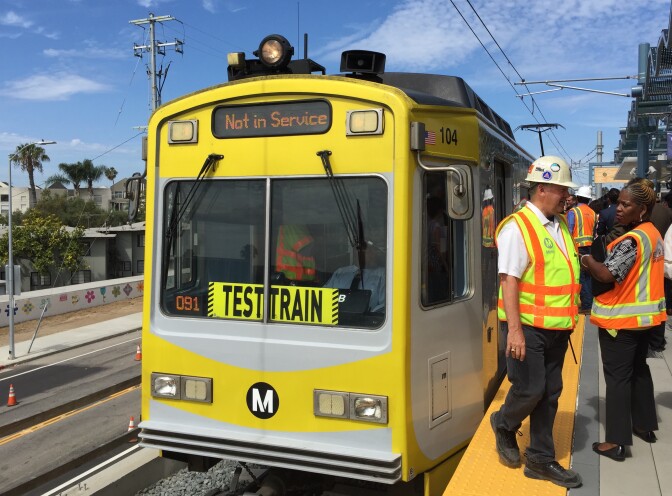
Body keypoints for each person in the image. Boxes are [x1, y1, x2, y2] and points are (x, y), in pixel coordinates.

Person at [491, 155, 582, 488]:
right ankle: (503, 422)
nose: (567, 197)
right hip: (527, 327)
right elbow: (509, 280)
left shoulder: (559, 226)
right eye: (562, 190)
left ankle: (540, 460)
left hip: (557, 327)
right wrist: (514, 330)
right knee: (531, 388)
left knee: (550, 392)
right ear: (543, 188)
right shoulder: (518, 227)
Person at [581, 178, 664, 461]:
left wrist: (587, 261)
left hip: (621, 320)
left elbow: (606, 274)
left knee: (617, 378)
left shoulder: (632, 240)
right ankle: (645, 425)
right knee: (639, 370)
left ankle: (616, 442)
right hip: (644, 319)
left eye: (625, 205)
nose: (618, 208)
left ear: (641, 209)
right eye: (618, 203)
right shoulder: (652, 233)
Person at [567, 185, 596, 314]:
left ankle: (586, 305)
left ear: (578, 197)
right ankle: (589, 303)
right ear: (589, 199)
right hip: (590, 247)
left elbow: (569, 231)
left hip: (577, 248)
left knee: (580, 277)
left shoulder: (574, 212)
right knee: (588, 276)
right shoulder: (593, 213)